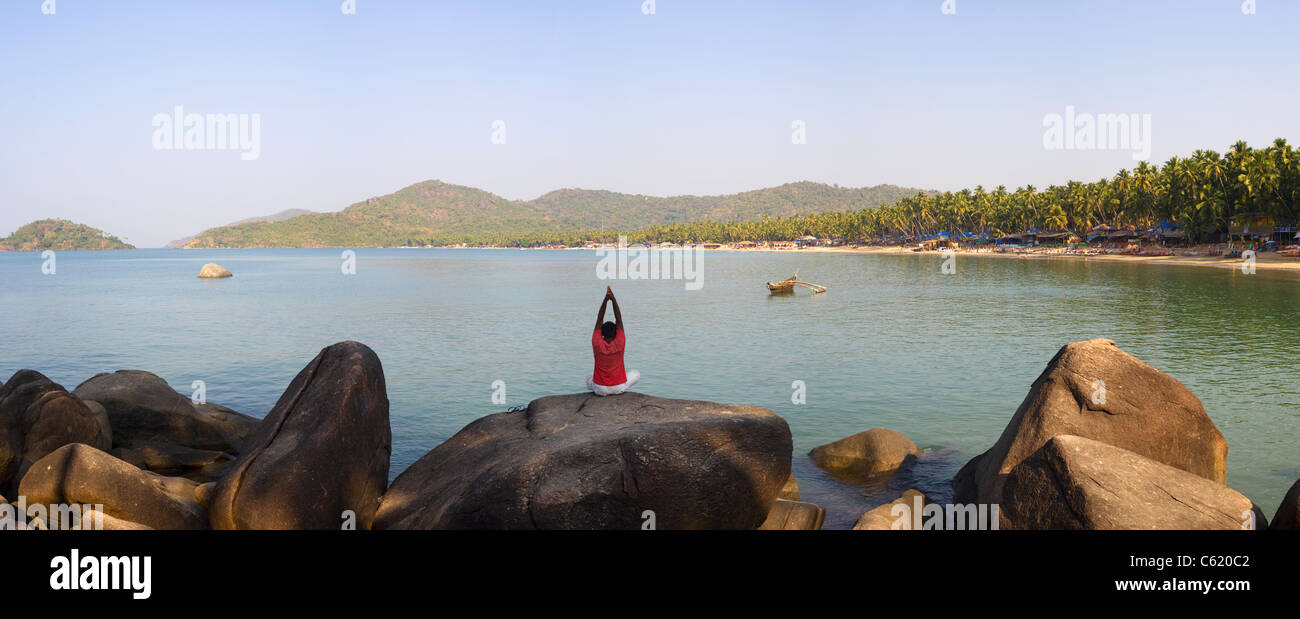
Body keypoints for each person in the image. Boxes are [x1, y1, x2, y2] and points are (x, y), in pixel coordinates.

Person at [588, 286, 639, 396]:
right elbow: (619, 319)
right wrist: (613, 299)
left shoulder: (597, 342)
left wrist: (606, 300)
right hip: (618, 387)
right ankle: (618, 388)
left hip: (599, 389)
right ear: (616, 333)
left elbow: (599, 319)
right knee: (636, 373)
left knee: (588, 377)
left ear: (601, 333)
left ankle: (600, 388)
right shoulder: (620, 342)